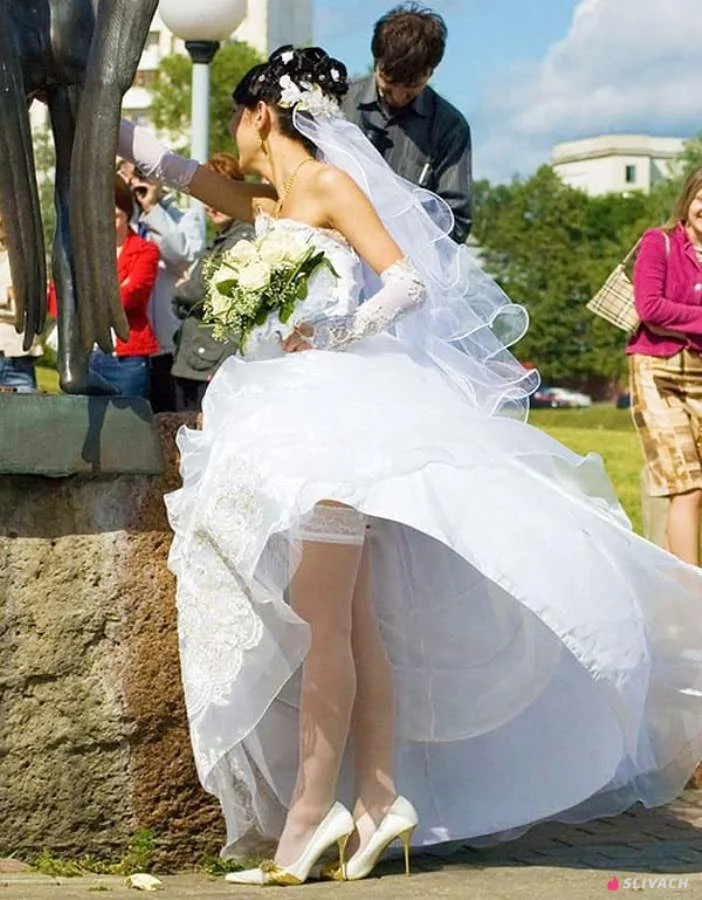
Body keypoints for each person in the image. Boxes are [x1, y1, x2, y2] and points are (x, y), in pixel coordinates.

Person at [119, 46, 702, 886]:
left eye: (237, 120)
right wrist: (102, 114)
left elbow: (405, 283)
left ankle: (307, 821)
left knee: (323, 619)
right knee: (352, 621)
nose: (232, 137)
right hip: (286, 411)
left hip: (335, 421)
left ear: (259, 115)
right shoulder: (267, 202)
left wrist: (335, 332)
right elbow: (172, 168)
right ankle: (378, 798)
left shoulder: (328, 184)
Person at [342, 3, 472, 244]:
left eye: (411, 89)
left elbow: (456, 220)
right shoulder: (337, 102)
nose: (398, 97)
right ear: (376, 61)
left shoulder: (451, 127)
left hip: (408, 258)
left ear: (431, 72)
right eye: (388, 86)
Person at [629, 168, 702, 566]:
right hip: (657, 369)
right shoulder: (660, 242)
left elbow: (666, 313)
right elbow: (650, 308)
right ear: (688, 200)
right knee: (686, 485)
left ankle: (672, 585)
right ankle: (694, 590)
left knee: (693, 491)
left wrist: (682, 318)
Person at [171, 153, 254, 413]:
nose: (212, 206)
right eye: (207, 197)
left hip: (213, 360)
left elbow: (201, 290)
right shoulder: (222, 239)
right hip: (198, 357)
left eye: (219, 195)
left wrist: (180, 292)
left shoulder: (242, 238)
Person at [121, 162, 204, 412]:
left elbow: (181, 255)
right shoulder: (123, 221)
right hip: (130, 341)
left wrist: (152, 209)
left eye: (145, 174)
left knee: (166, 418)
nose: (139, 181)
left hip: (167, 343)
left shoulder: (184, 217)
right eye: (134, 175)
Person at [88, 176, 160, 398]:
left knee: (128, 419)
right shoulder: (87, 252)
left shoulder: (145, 250)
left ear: (127, 213)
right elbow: (60, 297)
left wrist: (92, 297)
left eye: (115, 216)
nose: (108, 223)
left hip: (127, 358)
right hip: (88, 354)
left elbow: (130, 297)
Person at [0, 213, 42, 391]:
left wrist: (16, 298)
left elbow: (29, 305)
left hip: (18, 359)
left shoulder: (26, 256)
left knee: (25, 409)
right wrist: (6, 295)